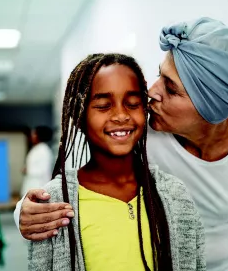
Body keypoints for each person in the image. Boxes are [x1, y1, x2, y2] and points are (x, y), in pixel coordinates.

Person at [14, 18, 228, 271]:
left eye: (170, 88)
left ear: (210, 107)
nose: (152, 92)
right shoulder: (136, 132)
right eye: (160, 74)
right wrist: (23, 213)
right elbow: (75, 185)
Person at [27, 53, 205, 271]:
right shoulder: (56, 202)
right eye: (103, 106)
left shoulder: (175, 194)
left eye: (132, 103)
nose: (121, 115)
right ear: (79, 115)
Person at [20, 126, 54, 197]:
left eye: (34, 134)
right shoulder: (36, 149)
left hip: (39, 185)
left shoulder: (44, 150)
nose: (32, 136)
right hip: (31, 183)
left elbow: (43, 170)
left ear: (40, 136)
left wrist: (28, 170)